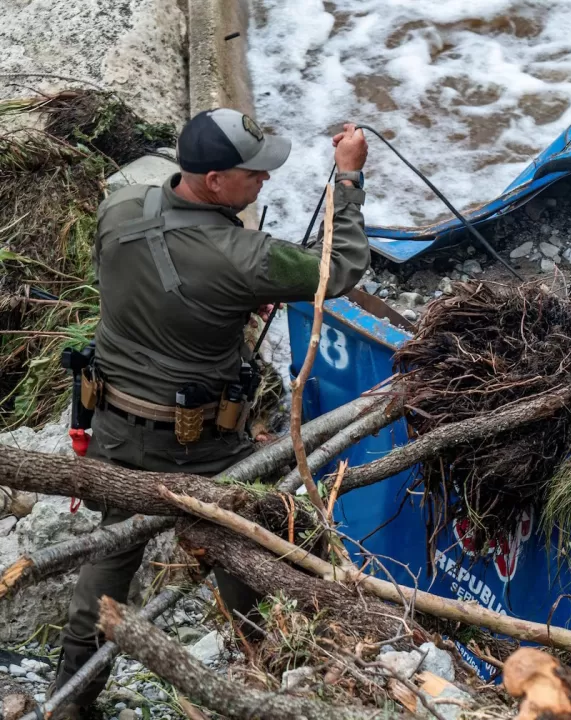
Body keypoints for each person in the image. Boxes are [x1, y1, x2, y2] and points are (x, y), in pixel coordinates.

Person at [47, 109, 372, 718]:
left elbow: (149, 281)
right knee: (244, 534)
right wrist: (348, 179)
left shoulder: (121, 208)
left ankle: (67, 703)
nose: (265, 182)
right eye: (254, 174)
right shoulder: (241, 256)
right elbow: (343, 269)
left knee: (112, 551)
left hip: (113, 426)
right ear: (216, 180)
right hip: (202, 446)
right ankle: (260, 669)